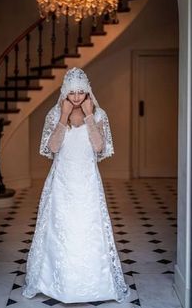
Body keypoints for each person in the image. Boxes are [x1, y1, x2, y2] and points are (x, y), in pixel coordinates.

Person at [22, 67, 131, 304]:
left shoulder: (99, 115)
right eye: (72, 92)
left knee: (88, 227)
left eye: (82, 91)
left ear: (88, 92)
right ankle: (56, 284)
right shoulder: (54, 115)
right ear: (65, 92)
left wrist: (90, 116)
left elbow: (100, 148)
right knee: (61, 228)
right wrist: (63, 117)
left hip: (87, 181)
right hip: (62, 181)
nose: (77, 96)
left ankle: (94, 283)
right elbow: (51, 148)